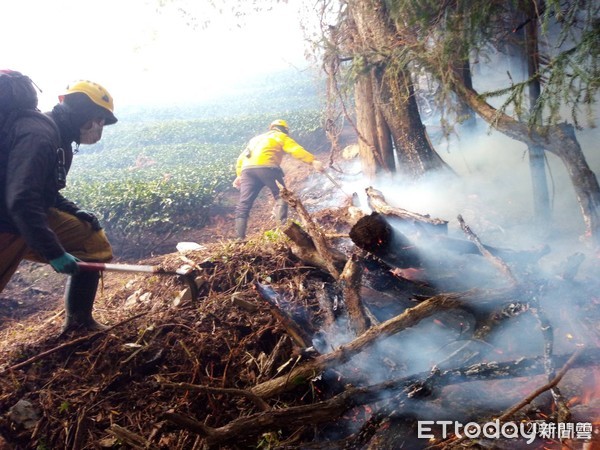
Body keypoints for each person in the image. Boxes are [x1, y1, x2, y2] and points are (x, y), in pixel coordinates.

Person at [0, 79, 118, 334]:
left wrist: (74, 211)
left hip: (26, 216)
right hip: (8, 222)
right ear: (86, 115)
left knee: (91, 242)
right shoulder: (39, 136)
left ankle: (79, 323)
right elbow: (21, 200)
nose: (100, 128)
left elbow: (45, 192)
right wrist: (54, 252)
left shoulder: (60, 138)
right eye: (100, 120)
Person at [232, 119, 324, 239]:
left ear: (272, 127)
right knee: (281, 197)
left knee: (243, 204)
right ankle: (283, 233)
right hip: (267, 168)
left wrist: (239, 175)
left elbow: (241, 158)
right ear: (285, 130)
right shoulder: (281, 136)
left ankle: (239, 238)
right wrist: (313, 161)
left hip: (247, 171)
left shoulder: (255, 139)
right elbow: (295, 150)